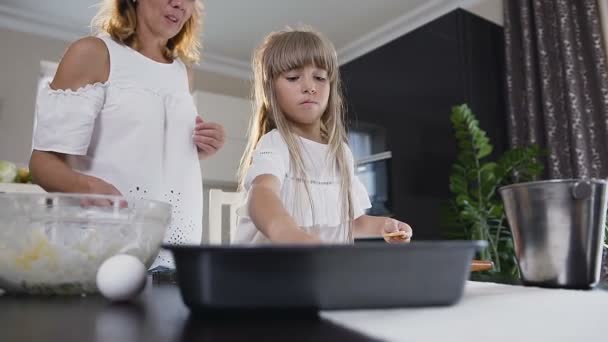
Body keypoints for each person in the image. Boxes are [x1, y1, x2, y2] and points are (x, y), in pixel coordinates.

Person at [29, 0, 225, 268]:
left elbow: (144, 152)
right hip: (101, 247)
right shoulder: (93, 53)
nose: (179, 4)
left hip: (174, 252)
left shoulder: (183, 73)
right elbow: (42, 164)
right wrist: (88, 187)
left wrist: (199, 147)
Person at [233, 27, 412, 244]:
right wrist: (287, 233)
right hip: (266, 271)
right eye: (293, 77)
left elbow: (350, 224)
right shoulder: (276, 143)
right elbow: (262, 194)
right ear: (271, 90)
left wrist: (384, 226)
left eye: (319, 77)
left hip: (317, 271)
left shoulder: (342, 154)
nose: (309, 87)